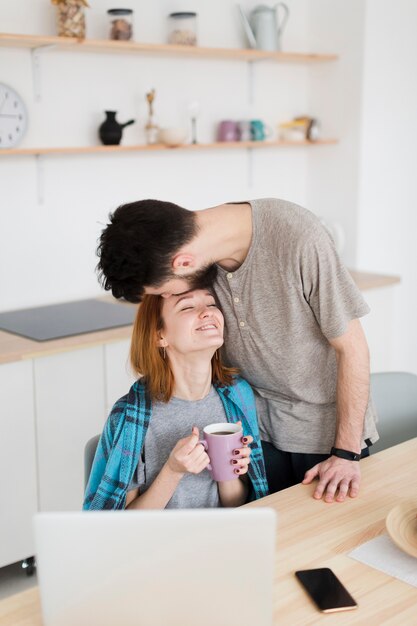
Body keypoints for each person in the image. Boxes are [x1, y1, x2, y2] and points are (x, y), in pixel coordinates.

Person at [96, 197, 379, 504]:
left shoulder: (299, 238)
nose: (168, 297)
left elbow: (353, 349)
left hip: (326, 440)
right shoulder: (201, 256)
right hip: (257, 436)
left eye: (164, 291)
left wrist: (346, 453)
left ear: (183, 263)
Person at [84, 288, 269, 510]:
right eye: (188, 306)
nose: (208, 312)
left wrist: (228, 472)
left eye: (211, 304)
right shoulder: (130, 415)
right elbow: (125, 526)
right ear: (159, 335)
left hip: (219, 537)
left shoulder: (238, 395)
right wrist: (172, 471)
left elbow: (235, 505)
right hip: (159, 543)